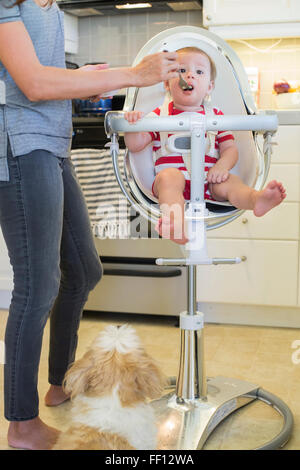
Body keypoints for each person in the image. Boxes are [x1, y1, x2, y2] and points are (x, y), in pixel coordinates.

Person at [0, 0, 179, 450]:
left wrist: (90, 75)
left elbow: (43, 73)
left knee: (82, 271)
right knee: (38, 286)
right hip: (20, 146)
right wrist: (132, 74)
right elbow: (35, 83)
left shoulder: (48, 5)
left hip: (52, 144)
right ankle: (21, 424)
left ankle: (60, 381)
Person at [124, 47, 286, 244]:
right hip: (172, 183)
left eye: (199, 72)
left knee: (230, 183)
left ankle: (255, 199)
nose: (190, 75)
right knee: (169, 177)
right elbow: (135, 145)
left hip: (210, 183)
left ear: (209, 87)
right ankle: (176, 225)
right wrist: (132, 126)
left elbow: (230, 149)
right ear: (167, 83)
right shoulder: (159, 115)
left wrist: (222, 166)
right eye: (182, 71)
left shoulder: (216, 116)